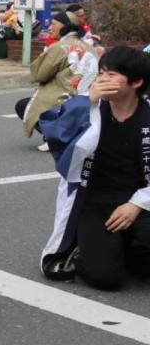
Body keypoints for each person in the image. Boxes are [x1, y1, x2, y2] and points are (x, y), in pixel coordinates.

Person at [40, 46, 150, 289]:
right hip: (95, 201)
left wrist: (135, 205)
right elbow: (56, 134)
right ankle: (90, 247)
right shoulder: (89, 109)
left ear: (137, 82)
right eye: (101, 73)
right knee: (105, 278)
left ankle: (131, 250)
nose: (102, 80)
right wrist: (87, 101)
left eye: (111, 75)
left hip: (140, 201)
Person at [16, 12, 99, 151]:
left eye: (54, 24)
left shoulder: (59, 47)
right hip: (88, 100)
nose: (50, 27)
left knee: (23, 105)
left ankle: (55, 137)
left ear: (65, 26)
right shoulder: (89, 47)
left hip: (63, 100)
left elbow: (39, 74)